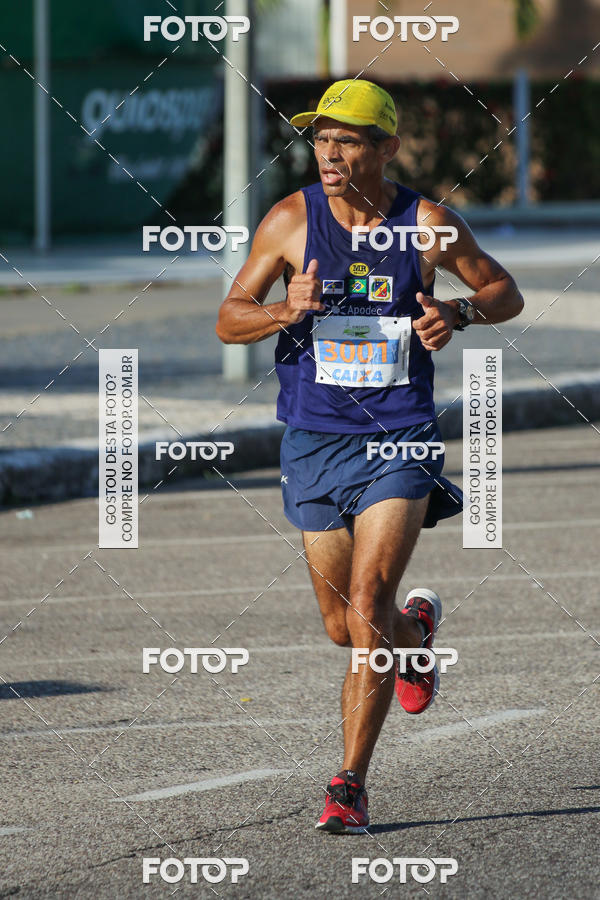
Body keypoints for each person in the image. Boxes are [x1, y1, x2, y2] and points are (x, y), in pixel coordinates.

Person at [216, 79, 523, 834]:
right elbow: (228, 319)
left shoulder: (427, 224)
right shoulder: (291, 219)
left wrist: (457, 311)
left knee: (367, 603)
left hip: (399, 437)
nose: (329, 153)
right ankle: (414, 640)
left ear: (387, 149)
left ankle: (348, 784)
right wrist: (284, 310)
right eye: (321, 138)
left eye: (347, 140)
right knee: (343, 625)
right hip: (314, 441)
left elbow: (505, 292)